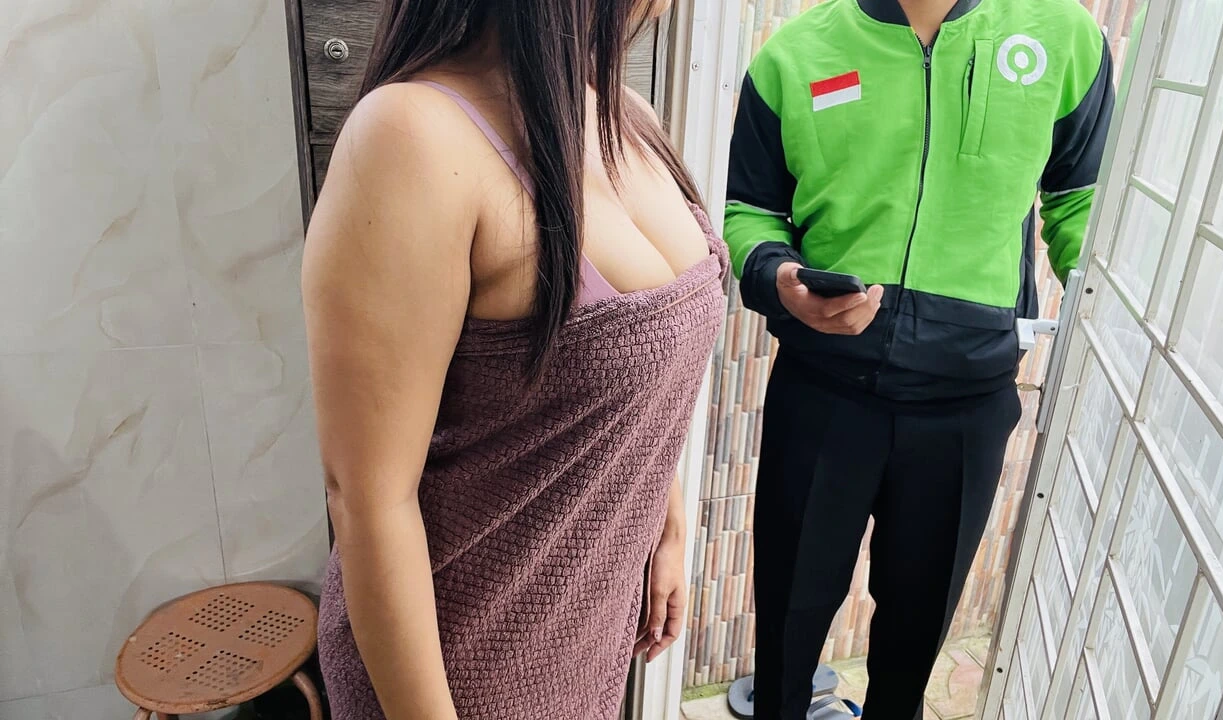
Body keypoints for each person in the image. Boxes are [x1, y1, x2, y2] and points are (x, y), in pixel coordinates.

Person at [301, 1, 727, 718]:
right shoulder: (411, 136)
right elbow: (368, 499)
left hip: (589, 636)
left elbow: (639, 380)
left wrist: (669, 523)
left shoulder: (624, 117)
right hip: (461, 669)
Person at [723, 0, 1115, 717]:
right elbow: (750, 211)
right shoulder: (794, 56)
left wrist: (1116, 309)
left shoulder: (1064, 37)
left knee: (914, 639)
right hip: (821, 391)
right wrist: (778, 276)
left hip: (966, 404)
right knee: (787, 619)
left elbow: (1080, 199)